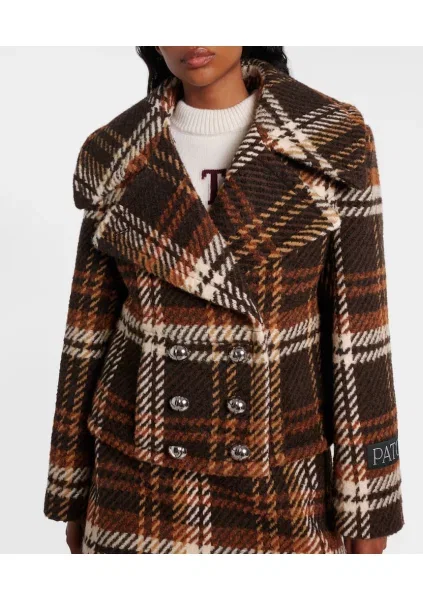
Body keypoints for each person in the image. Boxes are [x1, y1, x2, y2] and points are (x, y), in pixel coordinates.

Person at [44, 46, 404, 554]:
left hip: (281, 478)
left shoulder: (331, 139)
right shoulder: (116, 152)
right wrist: (72, 488)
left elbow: (359, 336)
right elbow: (86, 336)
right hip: (136, 479)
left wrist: (369, 501)